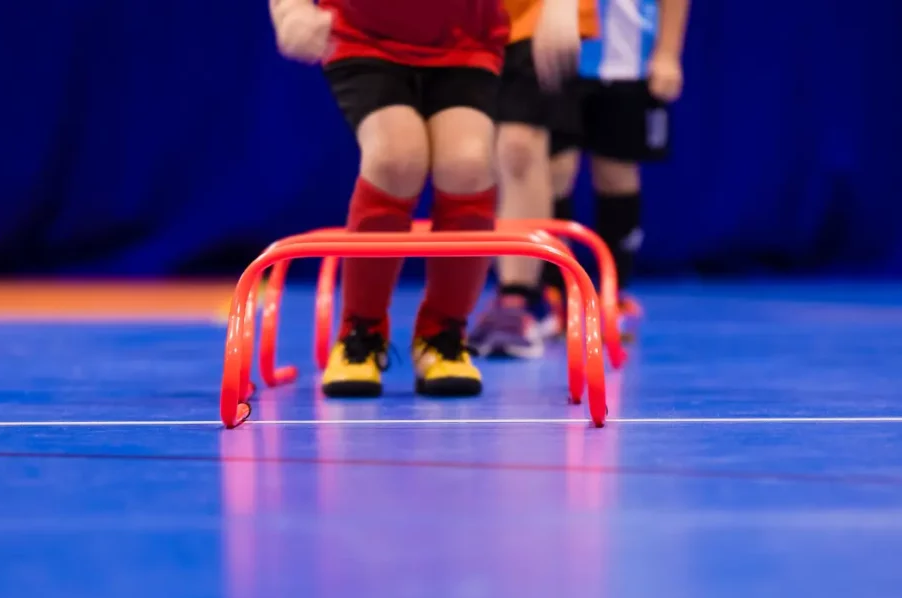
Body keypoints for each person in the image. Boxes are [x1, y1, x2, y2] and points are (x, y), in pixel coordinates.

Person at [270, 0, 582, 396]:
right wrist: (290, 9)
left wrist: (560, 7)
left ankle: (443, 336)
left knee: (468, 165)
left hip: (465, 40)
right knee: (395, 158)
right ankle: (360, 334)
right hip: (365, 39)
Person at [471, 0, 689, 357]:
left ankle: (611, 296)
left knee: (616, 172)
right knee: (553, 170)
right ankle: (551, 293)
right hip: (554, 48)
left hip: (627, 57)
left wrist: (667, 52)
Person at [468, 0, 599, 359]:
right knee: (489, 156)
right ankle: (544, 287)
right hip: (463, 19)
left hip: (538, 13)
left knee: (519, 147)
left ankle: (518, 297)